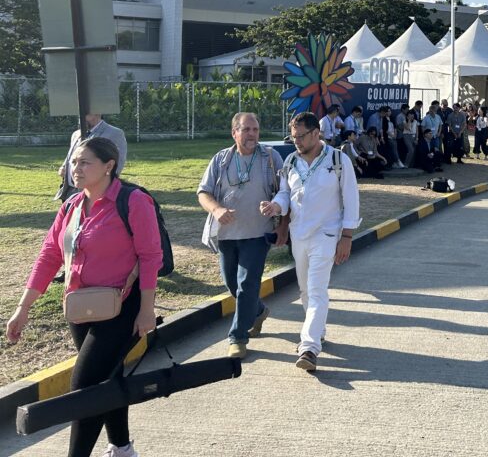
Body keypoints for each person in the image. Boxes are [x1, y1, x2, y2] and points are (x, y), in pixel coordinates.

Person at [7, 137, 162, 457]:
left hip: (123, 307)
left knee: (84, 388)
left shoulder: (133, 201)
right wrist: (23, 307)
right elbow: (49, 255)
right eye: (74, 162)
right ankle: (122, 448)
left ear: (109, 166)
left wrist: (146, 310)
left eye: (84, 162)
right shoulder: (72, 206)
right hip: (81, 308)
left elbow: (150, 256)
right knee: (107, 378)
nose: (75, 168)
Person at [263, 112, 360, 373]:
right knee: (305, 290)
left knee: (317, 290)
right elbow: (286, 193)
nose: (296, 141)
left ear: (316, 133)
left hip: (327, 235)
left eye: (301, 136)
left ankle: (308, 347)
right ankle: (318, 330)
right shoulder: (291, 161)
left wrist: (347, 237)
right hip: (299, 234)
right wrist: (275, 207)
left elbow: (351, 199)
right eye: (293, 137)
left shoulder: (339, 160)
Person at [197, 112, 286, 360]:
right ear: (234, 132)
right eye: (246, 130)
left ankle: (238, 337)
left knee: (247, 284)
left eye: (255, 130)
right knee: (233, 285)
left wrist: (279, 217)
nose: (252, 135)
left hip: (258, 233)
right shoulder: (221, 159)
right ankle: (257, 312)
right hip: (227, 234)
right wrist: (217, 209)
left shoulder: (270, 157)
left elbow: (285, 191)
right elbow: (203, 192)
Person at [58, 114, 129, 202]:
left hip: (97, 193)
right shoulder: (76, 134)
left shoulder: (114, 133)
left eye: (86, 112)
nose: (80, 114)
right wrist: (64, 167)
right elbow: (72, 156)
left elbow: (117, 165)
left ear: (97, 112)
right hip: (71, 192)